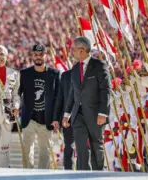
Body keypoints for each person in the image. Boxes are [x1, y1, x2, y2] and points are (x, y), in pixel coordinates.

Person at [62, 36, 110, 171]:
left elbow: (105, 90)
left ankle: (97, 174)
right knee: (81, 146)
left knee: (96, 145)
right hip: (78, 114)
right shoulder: (76, 68)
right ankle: (83, 174)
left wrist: (103, 113)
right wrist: (67, 113)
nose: (71, 52)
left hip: (95, 114)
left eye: (74, 49)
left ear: (82, 50)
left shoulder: (99, 65)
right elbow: (73, 93)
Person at [18, 44, 60, 169]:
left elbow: (58, 98)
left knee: (45, 152)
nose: (38, 57)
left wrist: (56, 118)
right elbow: (18, 93)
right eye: (36, 55)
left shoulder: (55, 74)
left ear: (45, 56)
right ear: (32, 56)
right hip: (29, 118)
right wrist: (15, 105)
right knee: (27, 151)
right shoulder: (25, 73)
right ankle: (27, 176)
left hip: (47, 119)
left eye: (41, 55)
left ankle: (43, 176)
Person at [53, 69, 75, 170]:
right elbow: (60, 98)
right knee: (69, 147)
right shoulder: (65, 76)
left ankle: (72, 172)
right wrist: (56, 118)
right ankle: (70, 172)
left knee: (72, 147)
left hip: (82, 118)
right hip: (68, 118)